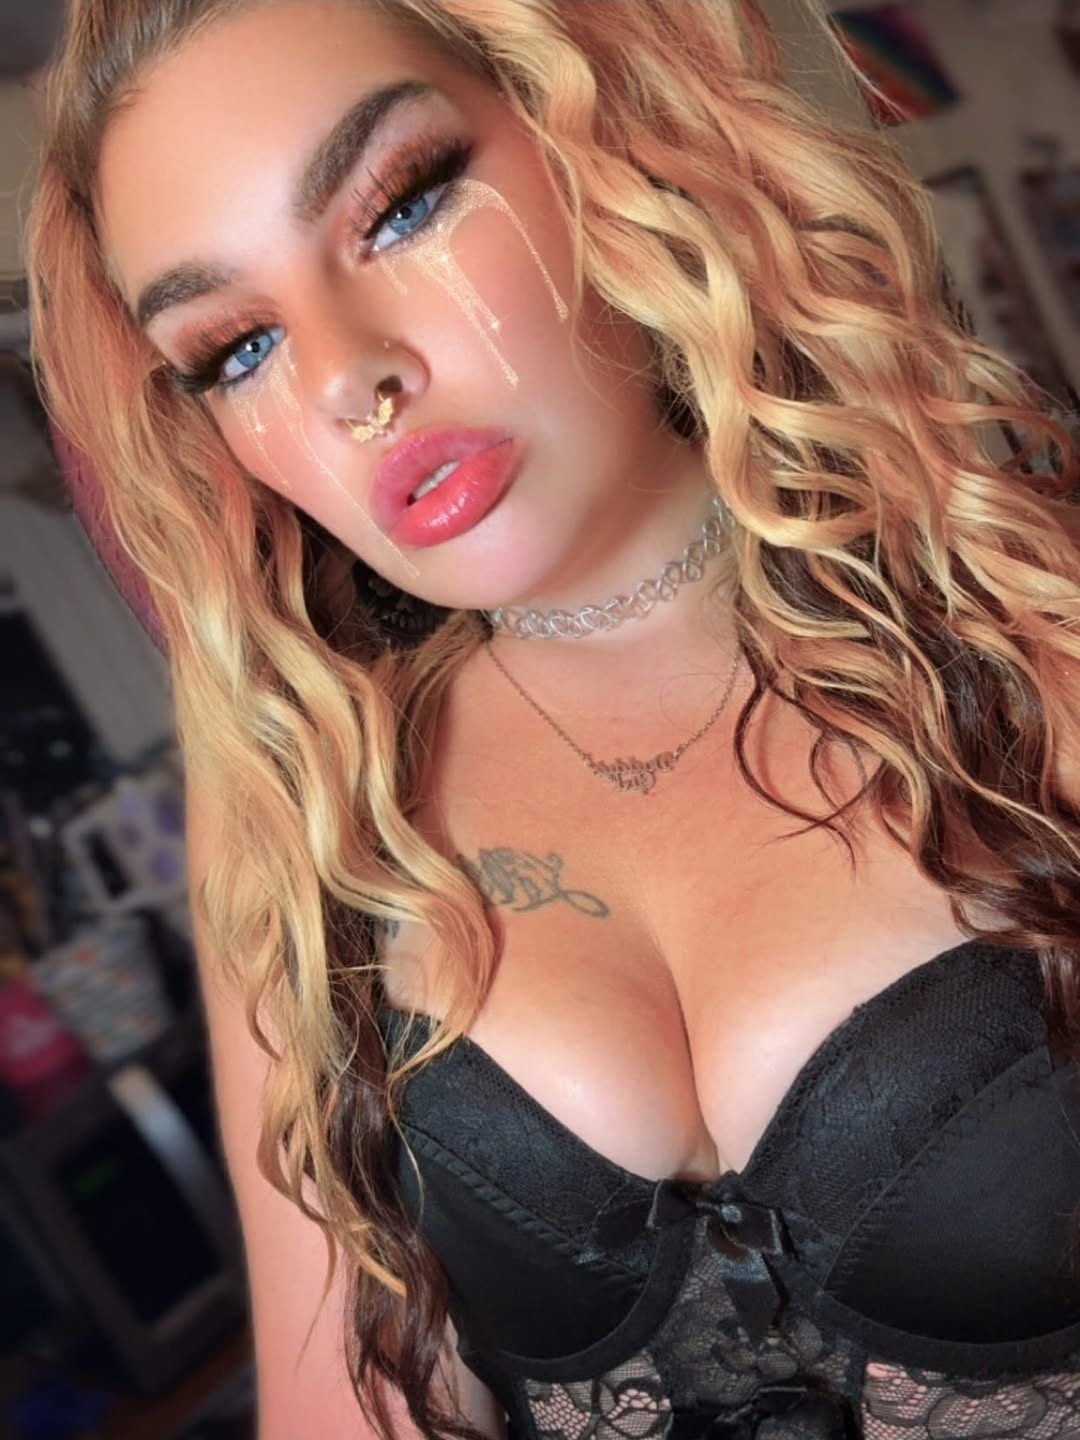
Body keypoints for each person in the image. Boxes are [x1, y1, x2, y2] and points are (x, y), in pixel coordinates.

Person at [26, 1, 1080, 1436]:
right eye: (237, 347)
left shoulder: (1026, 615)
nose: (348, 380)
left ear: (602, 133)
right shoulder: (305, 790)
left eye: (402, 204)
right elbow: (343, 1401)